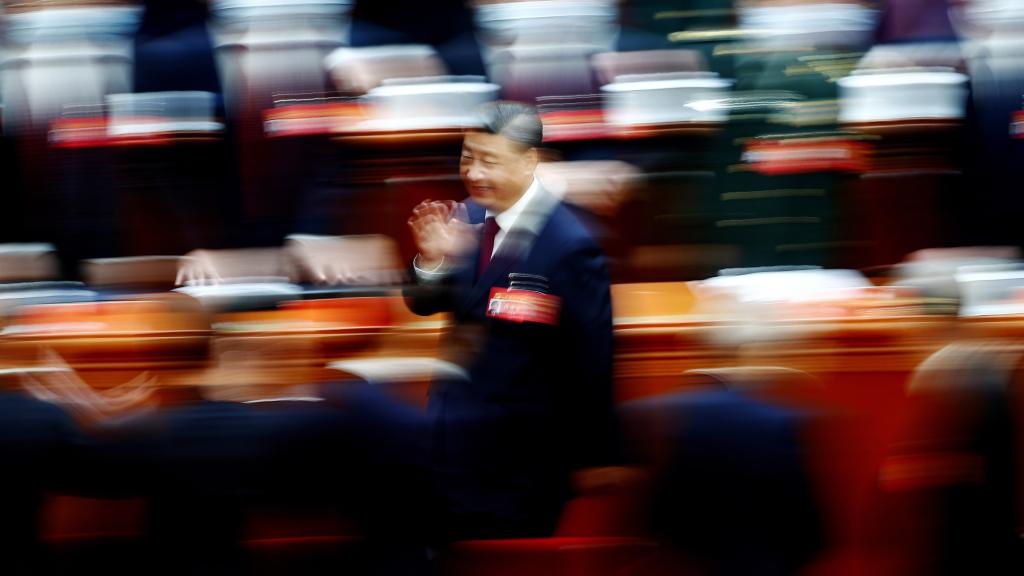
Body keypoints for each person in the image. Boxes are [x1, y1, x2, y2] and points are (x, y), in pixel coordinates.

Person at [405, 101, 615, 541]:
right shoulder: (468, 215)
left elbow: (592, 364)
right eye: (467, 158)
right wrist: (431, 261)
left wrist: (591, 459)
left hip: (520, 464)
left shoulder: (570, 245)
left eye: (490, 161)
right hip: (448, 445)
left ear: (528, 161)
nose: (475, 173)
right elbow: (424, 304)